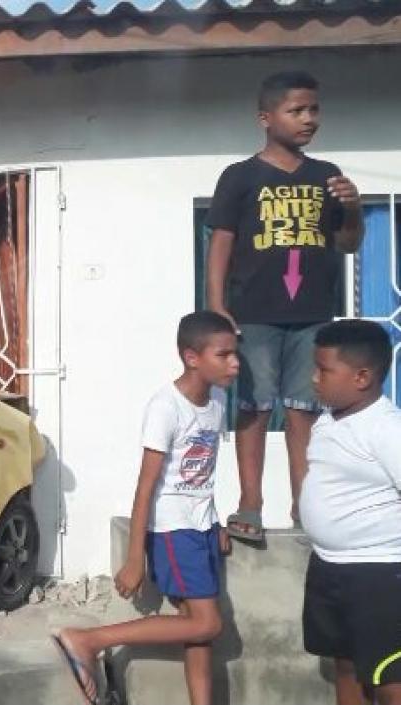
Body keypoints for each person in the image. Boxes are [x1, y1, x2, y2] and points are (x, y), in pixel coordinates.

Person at [205, 70, 364, 541]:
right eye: (296, 111)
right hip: (252, 315)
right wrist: (218, 310)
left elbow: (348, 244)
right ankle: (249, 505)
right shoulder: (240, 176)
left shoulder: (327, 175)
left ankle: (304, 506)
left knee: (304, 412)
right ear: (265, 117)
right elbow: (221, 244)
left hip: (313, 315)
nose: (308, 119)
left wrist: (353, 208)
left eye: (314, 109)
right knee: (253, 407)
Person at [52, 311, 239, 705]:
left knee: (196, 631)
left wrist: (216, 520)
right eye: (224, 355)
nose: (235, 363)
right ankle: (89, 640)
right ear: (192, 357)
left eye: (234, 353)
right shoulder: (165, 407)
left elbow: (203, 473)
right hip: (174, 529)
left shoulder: (218, 401)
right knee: (208, 623)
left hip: (202, 526)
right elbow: (146, 485)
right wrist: (136, 556)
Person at [302, 319, 401, 705]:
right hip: (329, 567)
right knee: (345, 665)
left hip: (377, 573)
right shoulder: (327, 420)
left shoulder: (387, 429)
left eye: (324, 370)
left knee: (390, 676)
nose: (313, 379)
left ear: (362, 377)